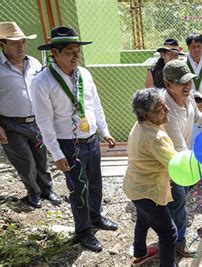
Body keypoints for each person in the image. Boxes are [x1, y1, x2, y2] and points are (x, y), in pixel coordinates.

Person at [31, 26, 118, 252]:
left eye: (77, 50)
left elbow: (94, 104)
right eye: (69, 51)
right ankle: (83, 231)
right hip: (68, 144)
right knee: (78, 189)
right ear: (55, 54)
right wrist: (57, 154)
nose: (75, 55)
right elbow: (44, 122)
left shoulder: (84, 74)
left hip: (90, 139)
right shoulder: (42, 82)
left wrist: (104, 131)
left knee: (95, 183)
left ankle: (96, 216)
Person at [0, 22, 59, 208]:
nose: (20, 46)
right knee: (25, 161)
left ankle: (47, 190)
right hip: (10, 124)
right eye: (14, 43)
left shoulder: (34, 63)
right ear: (2, 44)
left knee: (41, 158)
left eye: (22, 42)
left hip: (36, 122)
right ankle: (33, 192)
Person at [162, 59, 202, 257]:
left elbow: (197, 116)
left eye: (189, 80)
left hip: (182, 158)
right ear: (169, 84)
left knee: (178, 199)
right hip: (170, 162)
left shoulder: (187, 99)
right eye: (182, 82)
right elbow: (178, 148)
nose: (188, 86)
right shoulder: (165, 110)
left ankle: (172, 231)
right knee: (177, 201)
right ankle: (178, 242)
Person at [124, 88, 178, 267]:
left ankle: (140, 253)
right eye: (160, 109)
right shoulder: (156, 137)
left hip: (135, 187)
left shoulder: (140, 125)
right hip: (149, 191)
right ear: (146, 115)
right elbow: (176, 165)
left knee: (143, 218)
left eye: (165, 106)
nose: (167, 110)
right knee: (169, 234)